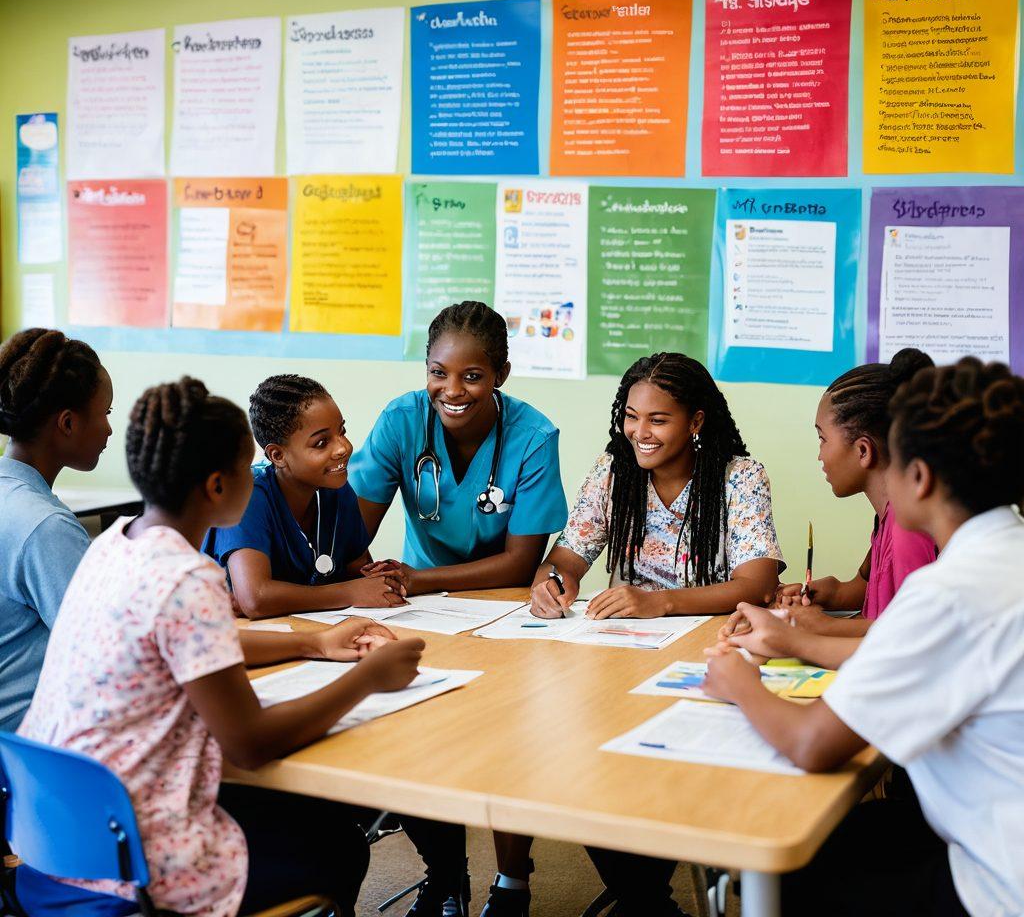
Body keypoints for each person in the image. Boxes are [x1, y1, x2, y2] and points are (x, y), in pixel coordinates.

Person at [17, 377, 424, 917]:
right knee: (337, 843)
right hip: (134, 864)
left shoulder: (114, 545)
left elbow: (198, 645)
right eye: (244, 469)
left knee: (287, 810)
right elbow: (251, 744)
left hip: (59, 835)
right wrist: (367, 679)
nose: (254, 480)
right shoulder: (188, 579)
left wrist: (315, 644)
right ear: (216, 486)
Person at [704, 356, 1024, 917]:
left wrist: (739, 682)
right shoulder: (1007, 551)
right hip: (993, 829)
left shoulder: (950, 589)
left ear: (918, 477)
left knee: (794, 861)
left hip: (998, 882)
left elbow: (812, 745)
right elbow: (901, 650)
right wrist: (792, 642)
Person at [525, 352, 785, 917]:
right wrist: (553, 581)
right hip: (622, 656)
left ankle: (644, 900)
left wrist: (658, 601)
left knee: (672, 775)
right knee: (591, 760)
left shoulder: (738, 476)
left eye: (658, 420)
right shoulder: (614, 471)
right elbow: (567, 555)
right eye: (631, 415)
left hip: (713, 656)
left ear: (695, 422)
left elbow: (758, 583)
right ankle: (647, 900)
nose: (639, 432)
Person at [349, 301, 569, 917]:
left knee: (507, 745)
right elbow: (352, 533)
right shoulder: (401, 421)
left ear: (500, 372)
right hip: (426, 611)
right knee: (421, 734)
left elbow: (520, 564)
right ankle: (446, 878)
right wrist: (368, 578)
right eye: (439, 372)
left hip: (507, 612)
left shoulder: (532, 435)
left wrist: (416, 580)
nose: (453, 389)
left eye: (472, 375)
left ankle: (512, 884)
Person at [719, 348, 937, 670]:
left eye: (823, 439)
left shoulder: (910, 529)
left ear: (863, 451)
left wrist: (817, 627)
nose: (820, 455)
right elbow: (876, 590)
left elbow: (914, 636)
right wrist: (834, 594)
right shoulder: (889, 516)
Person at [205, 374, 405, 617]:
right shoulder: (247, 496)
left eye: (342, 431)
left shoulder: (337, 492)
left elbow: (357, 572)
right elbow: (255, 599)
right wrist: (349, 592)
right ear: (277, 456)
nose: (342, 447)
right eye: (322, 443)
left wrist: (382, 579)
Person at [0, 328, 112, 731]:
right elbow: (108, 653)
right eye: (107, 414)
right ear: (67, 423)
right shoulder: (45, 526)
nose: (110, 431)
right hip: (32, 749)